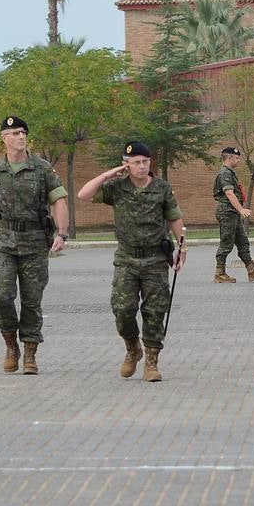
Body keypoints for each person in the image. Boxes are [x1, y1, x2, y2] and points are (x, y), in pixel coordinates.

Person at [77, 142, 187, 383]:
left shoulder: (161, 188)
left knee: (155, 311)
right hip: (127, 258)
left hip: (156, 258)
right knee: (123, 309)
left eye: (145, 162)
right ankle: (132, 348)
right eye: (136, 162)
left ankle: (151, 362)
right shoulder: (117, 187)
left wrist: (182, 246)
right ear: (126, 164)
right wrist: (108, 174)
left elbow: (174, 217)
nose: (141, 166)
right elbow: (83, 194)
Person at [0, 115, 67, 375]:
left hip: (35, 242)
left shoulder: (42, 169)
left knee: (32, 300)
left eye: (23, 132)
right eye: (14, 133)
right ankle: (10, 344)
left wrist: (62, 232)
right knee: (2, 295)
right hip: (3, 241)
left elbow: (58, 200)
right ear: (4, 138)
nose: (21, 137)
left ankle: (30, 353)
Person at [213, 146, 254, 283]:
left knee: (243, 242)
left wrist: (238, 210)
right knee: (226, 243)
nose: (239, 160)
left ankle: (252, 271)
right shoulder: (225, 173)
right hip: (227, 212)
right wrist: (241, 209)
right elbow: (229, 193)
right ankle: (219, 273)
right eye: (237, 158)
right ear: (230, 158)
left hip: (232, 212)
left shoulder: (230, 173)